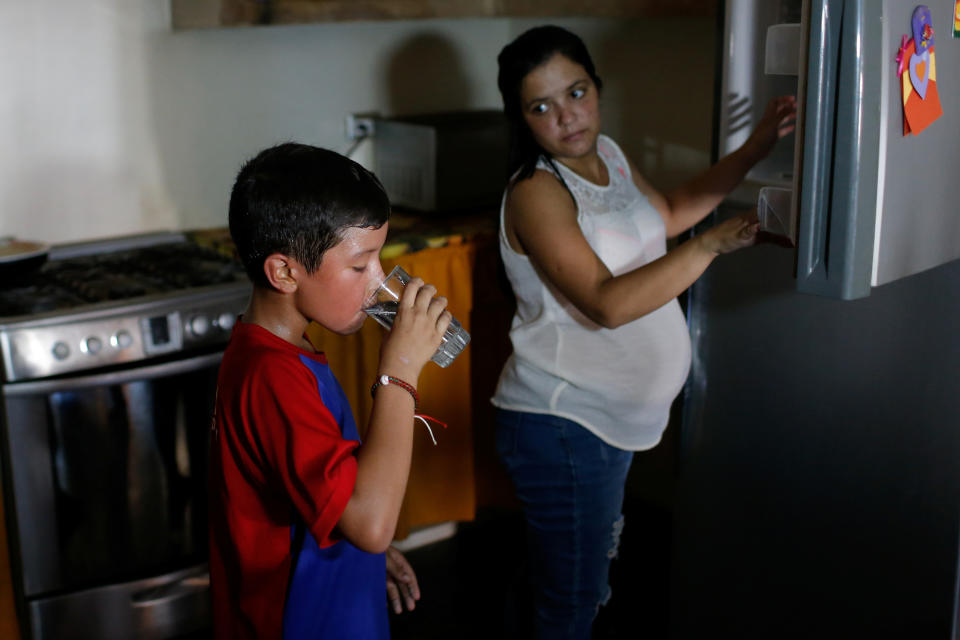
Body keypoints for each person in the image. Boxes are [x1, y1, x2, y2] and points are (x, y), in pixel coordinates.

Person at [490, 25, 797, 639]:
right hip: (564, 421)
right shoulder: (535, 192)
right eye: (541, 106)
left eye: (575, 92)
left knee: (567, 582)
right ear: (521, 119)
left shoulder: (609, 155)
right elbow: (606, 304)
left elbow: (673, 213)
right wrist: (711, 247)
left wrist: (757, 145)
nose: (566, 117)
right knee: (572, 602)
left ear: (596, 87)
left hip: (601, 421)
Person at [209, 143, 453, 639]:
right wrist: (400, 370)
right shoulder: (271, 378)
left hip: (330, 598)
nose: (379, 281)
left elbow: (324, 493)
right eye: (360, 265)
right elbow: (370, 522)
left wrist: (361, 560)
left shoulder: (281, 353)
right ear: (284, 272)